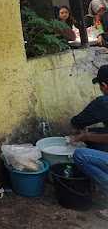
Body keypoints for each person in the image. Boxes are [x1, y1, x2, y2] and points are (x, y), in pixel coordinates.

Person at [70, 65, 108, 220]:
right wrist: (89, 135)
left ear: (104, 86)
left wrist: (85, 136)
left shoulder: (105, 102)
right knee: (96, 134)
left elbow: (77, 122)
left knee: (79, 155)